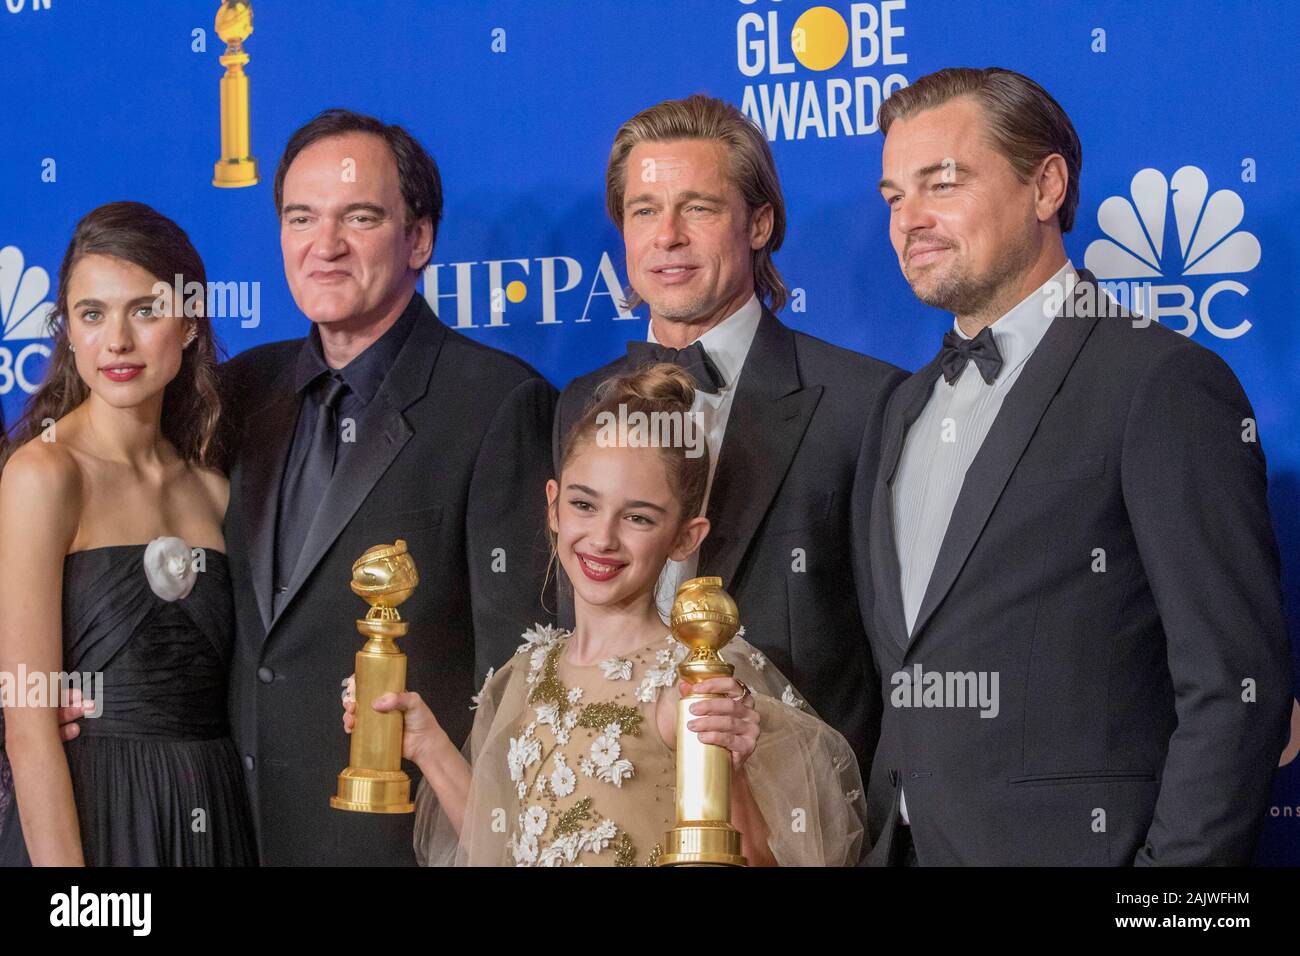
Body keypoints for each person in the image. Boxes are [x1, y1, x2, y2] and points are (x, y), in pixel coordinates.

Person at [858, 67, 1292, 865]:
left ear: (1046, 185)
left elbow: (1234, 686)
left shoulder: (1159, 383)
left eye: (941, 183)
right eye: (893, 197)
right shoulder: (902, 408)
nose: (908, 220)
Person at [345, 364, 866, 866]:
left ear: (687, 537)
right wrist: (428, 744)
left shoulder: (694, 680)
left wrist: (732, 778)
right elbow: (496, 847)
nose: (602, 538)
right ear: (553, 505)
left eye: (637, 517)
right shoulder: (525, 674)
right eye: (584, 505)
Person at [218, 110, 556, 865]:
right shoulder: (238, 393)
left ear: (420, 240)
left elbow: (518, 675)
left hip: (398, 842)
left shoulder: (499, 403)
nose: (324, 245)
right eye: (300, 217)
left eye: (358, 217)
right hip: (232, 834)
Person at [554, 94, 905, 782]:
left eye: (700, 208)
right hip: (609, 803)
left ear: (760, 223)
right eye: (644, 210)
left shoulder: (865, 404)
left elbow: (899, 660)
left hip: (793, 820)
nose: (668, 236)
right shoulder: (576, 406)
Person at [0, 201, 256, 866]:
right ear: (68, 332)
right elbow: (29, 730)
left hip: (214, 817)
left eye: (145, 310)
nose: (117, 340)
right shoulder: (43, 475)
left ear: (190, 323)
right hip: (95, 818)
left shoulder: (215, 489)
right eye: (92, 314)